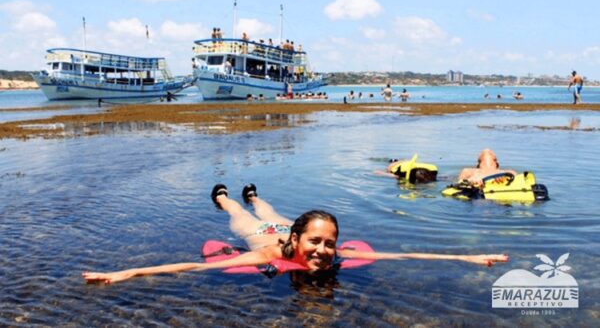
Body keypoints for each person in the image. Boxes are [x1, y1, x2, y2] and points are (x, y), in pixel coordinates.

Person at [82, 184, 508, 284]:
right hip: (261, 234)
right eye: (316, 242)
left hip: (284, 224)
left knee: (267, 208)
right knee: (243, 216)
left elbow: (409, 258)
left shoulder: (322, 248)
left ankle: (255, 194)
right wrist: (125, 274)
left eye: (328, 242)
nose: (323, 251)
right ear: (299, 243)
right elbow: (191, 264)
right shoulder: (266, 256)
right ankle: (229, 196)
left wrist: (469, 258)